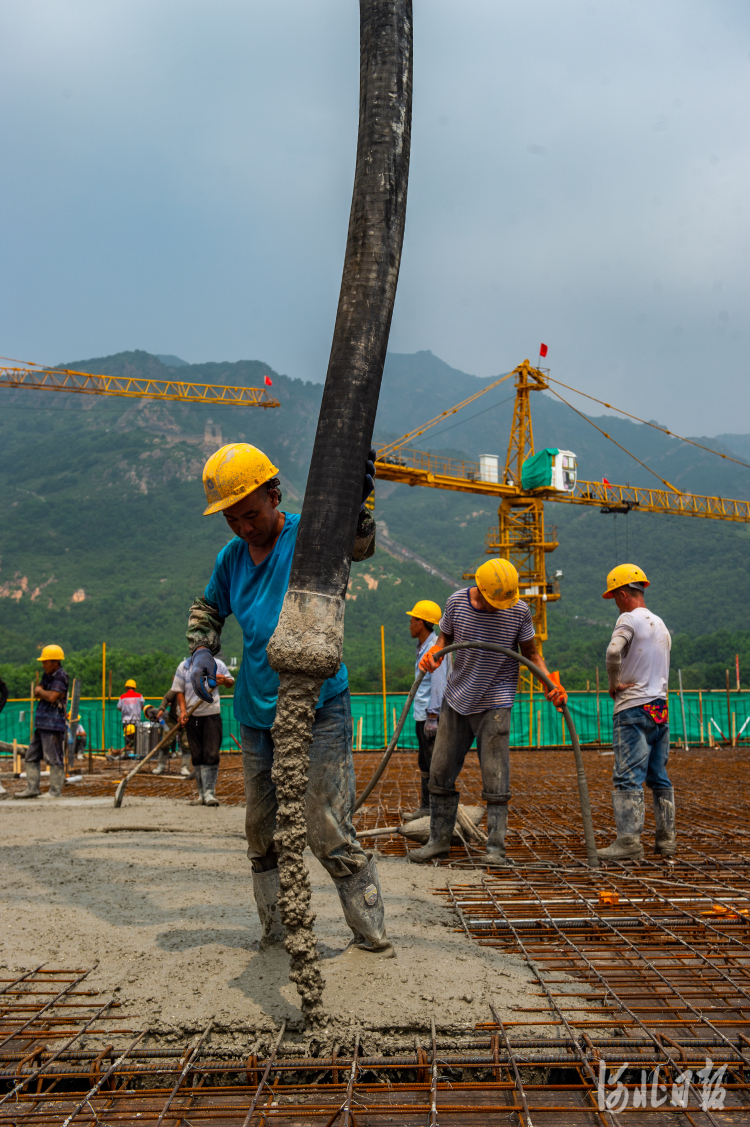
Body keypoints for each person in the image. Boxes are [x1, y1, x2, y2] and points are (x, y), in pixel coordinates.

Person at [184, 442, 393, 955]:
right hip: (256, 715)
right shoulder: (232, 558)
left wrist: (356, 507)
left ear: (274, 496)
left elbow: (360, 547)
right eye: (232, 519)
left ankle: (371, 935)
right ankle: (277, 934)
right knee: (261, 828)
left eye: (251, 514)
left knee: (324, 823)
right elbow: (209, 606)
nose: (244, 527)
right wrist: (202, 650)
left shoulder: (309, 536)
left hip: (319, 707)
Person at [409, 558, 566, 865]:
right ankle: (439, 840)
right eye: (494, 602)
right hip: (456, 699)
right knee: (440, 772)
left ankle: (495, 848)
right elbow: (444, 639)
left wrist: (551, 685)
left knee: (496, 776)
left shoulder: (518, 610)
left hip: (496, 699)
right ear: (479, 589)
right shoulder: (456, 602)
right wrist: (434, 655)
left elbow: (532, 654)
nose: (499, 608)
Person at [597, 564, 674, 861]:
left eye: (615, 597)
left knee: (627, 776)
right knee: (658, 776)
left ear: (623, 593)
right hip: (660, 708)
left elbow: (613, 651)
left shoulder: (628, 619)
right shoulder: (660, 623)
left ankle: (629, 842)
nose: (615, 604)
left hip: (633, 707)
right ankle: (666, 842)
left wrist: (614, 683)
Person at [403, 599, 448, 820]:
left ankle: (436, 812)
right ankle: (426, 807)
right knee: (424, 761)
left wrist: (433, 716)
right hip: (422, 714)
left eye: (412, 620)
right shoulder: (424, 646)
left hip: (431, 717)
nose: (409, 625)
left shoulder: (435, 648)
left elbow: (439, 682)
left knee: (434, 762)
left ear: (421, 623)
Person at [171, 655, 234, 804]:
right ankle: (201, 794)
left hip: (211, 714)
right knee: (196, 754)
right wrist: (183, 710)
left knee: (211, 753)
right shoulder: (184, 666)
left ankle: (209, 793)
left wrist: (224, 680)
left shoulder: (217, 664)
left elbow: (230, 682)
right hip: (193, 715)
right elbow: (178, 690)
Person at [14, 645, 69, 799]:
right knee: (31, 755)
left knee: (53, 757)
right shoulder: (47, 675)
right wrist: (44, 693)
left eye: (45, 662)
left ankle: (54, 791)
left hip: (53, 723)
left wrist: (42, 692)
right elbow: (40, 692)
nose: (43, 665)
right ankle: (32, 788)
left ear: (55, 662)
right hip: (41, 722)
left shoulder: (61, 676)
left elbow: (51, 696)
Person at [144, 690, 192, 777]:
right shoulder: (177, 688)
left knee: (186, 743)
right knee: (165, 742)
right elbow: (166, 698)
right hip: (173, 719)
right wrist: (162, 709)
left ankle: (185, 768)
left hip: (187, 719)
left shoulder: (194, 690)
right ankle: (161, 766)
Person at [117, 679, 144, 752]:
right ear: (134, 688)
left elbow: (119, 708)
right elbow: (142, 707)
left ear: (126, 687)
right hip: (136, 720)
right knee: (137, 737)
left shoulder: (122, 697)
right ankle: (137, 751)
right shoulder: (139, 696)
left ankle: (128, 752)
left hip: (126, 721)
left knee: (127, 737)